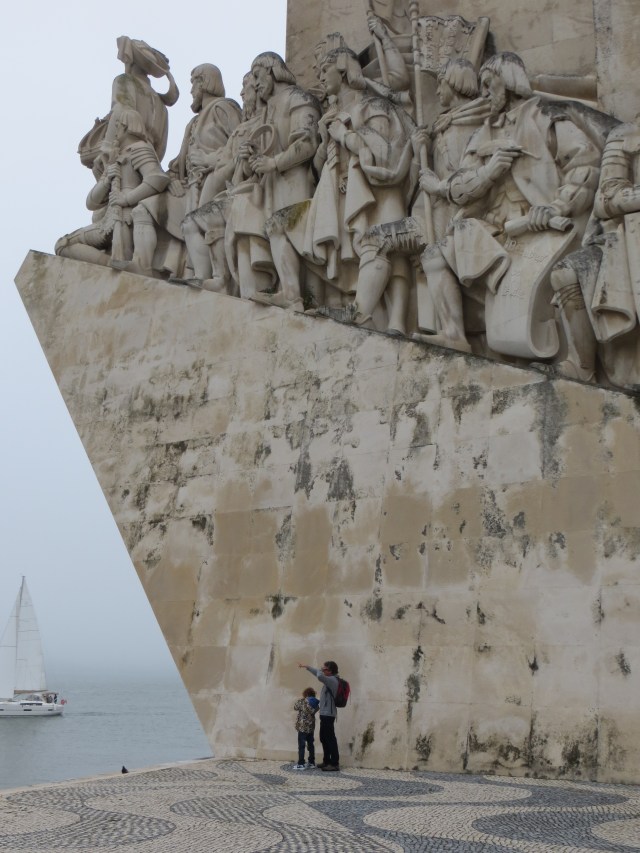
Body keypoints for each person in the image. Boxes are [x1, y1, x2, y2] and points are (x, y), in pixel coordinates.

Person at [298, 660, 341, 771]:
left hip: (328, 714)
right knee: (323, 738)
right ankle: (326, 761)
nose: (322, 670)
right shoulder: (329, 679)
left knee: (330, 738)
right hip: (324, 713)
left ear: (330, 671)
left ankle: (334, 763)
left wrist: (319, 670)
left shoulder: (332, 680)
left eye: (325, 669)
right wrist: (307, 666)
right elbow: (319, 673)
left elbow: (320, 676)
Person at [292, 687, 318, 770]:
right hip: (311, 726)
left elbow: (295, 707)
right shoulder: (316, 702)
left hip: (303, 726)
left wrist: (303, 699)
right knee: (311, 744)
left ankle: (301, 764)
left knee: (301, 745)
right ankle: (311, 762)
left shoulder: (303, 701)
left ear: (306, 694)